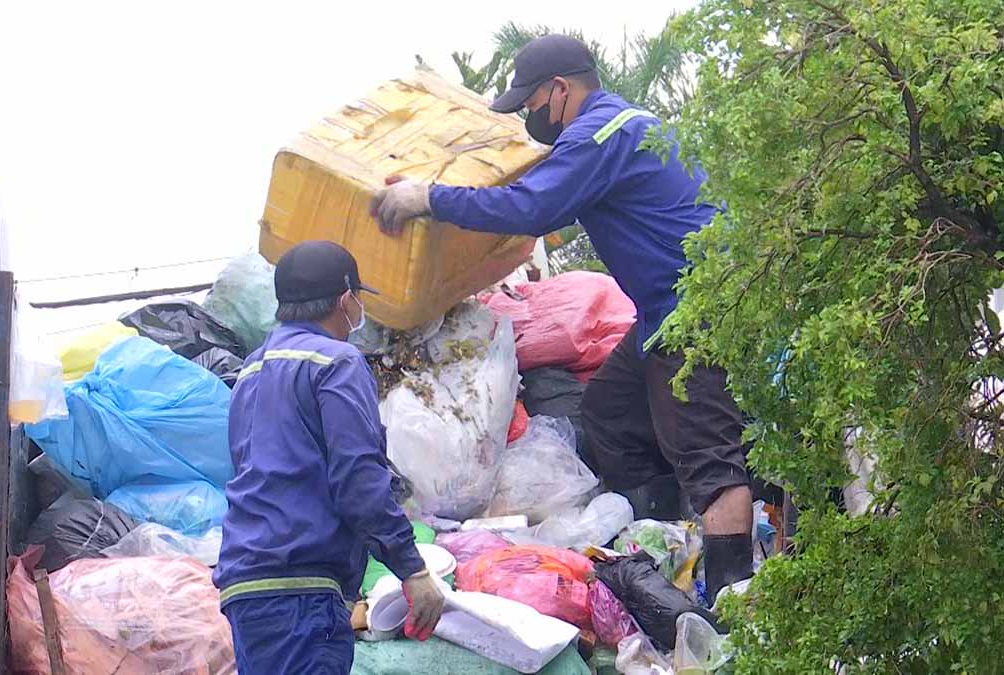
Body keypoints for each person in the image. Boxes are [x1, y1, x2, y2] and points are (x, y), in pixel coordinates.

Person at [371, 34, 752, 604]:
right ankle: (666, 539)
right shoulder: (627, 125)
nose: (528, 114)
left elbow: (533, 208)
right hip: (665, 310)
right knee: (610, 409)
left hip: (693, 311)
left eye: (530, 101)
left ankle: (732, 601)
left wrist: (431, 198)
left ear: (560, 89)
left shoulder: (599, 135)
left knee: (709, 456)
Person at [213, 240, 444, 674]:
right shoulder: (336, 361)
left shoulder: (251, 369)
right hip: (301, 588)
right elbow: (358, 478)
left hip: (246, 586)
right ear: (345, 301)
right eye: (358, 298)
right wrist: (411, 570)